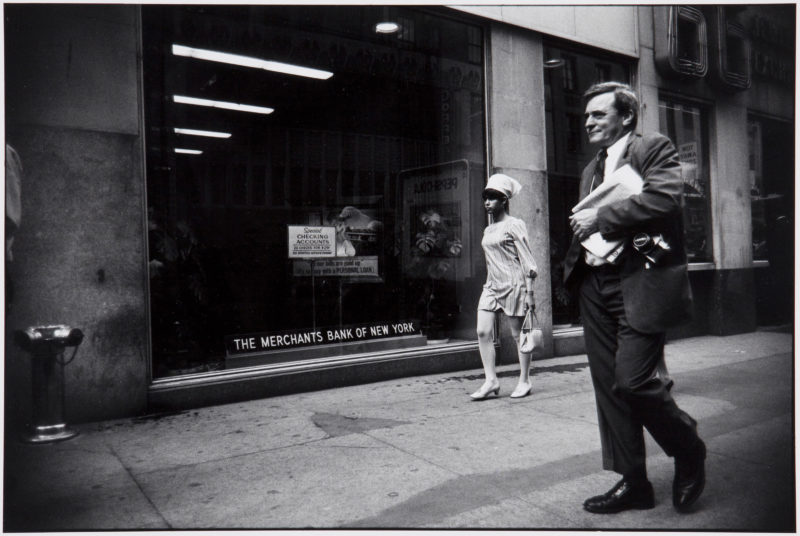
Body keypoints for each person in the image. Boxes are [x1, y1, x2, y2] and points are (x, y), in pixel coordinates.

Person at [563, 82, 705, 513]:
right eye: (586, 115)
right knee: (610, 388)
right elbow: (583, 226)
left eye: (597, 115)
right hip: (595, 283)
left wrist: (601, 218)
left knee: (634, 380)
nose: (588, 121)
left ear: (625, 117)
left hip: (639, 282)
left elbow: (666, 198)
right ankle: (634, 483)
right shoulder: (591, 168)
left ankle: (688, 449)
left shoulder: (653, 147)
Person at [472, 173, 538, 400]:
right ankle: (491, 380)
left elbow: (527, 260)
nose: (487, 202)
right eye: (485, 198)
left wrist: (530, 292)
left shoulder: (515, 224)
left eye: (492, 198)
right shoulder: (488, 230)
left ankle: (525, 380)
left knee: (519, 335)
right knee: (482, 331)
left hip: (513, 284)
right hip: (491, 285)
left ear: (504, 200)